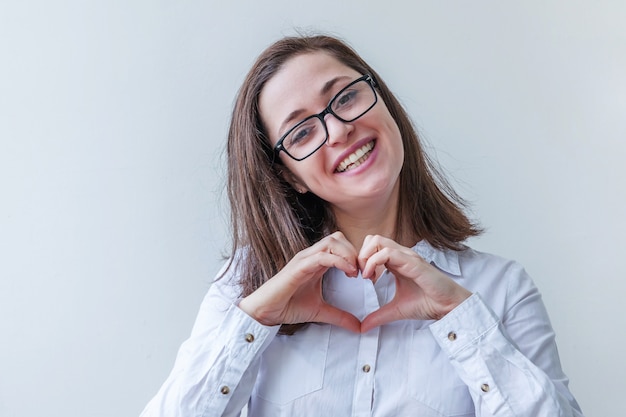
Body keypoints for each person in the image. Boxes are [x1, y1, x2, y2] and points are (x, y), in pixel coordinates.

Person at [140, 34, 584, 417]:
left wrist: (461, 320)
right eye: (300, 133)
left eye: (346, 97)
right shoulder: (242, 289)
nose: (337, 130)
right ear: (290, 176)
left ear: (383, 102)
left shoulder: (501, 289)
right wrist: (255, 323)